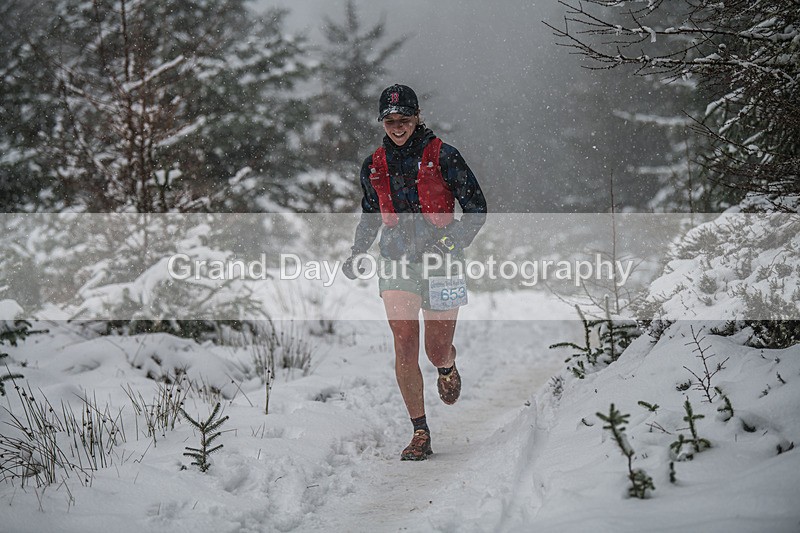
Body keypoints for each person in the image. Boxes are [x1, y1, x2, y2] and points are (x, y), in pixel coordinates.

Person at [341, 84, 487, 461]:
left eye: (404, 119)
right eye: (390, 120)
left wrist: (452, 242)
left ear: (417, 116)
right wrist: (358, 250)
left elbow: (477, 208)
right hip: (396, 258)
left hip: (443, 259)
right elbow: (371, 214)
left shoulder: (445, 156)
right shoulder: (374, 164)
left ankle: (447, 365)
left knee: (434, 349)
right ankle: (419, 430)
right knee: (404, 342)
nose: (398, 127)